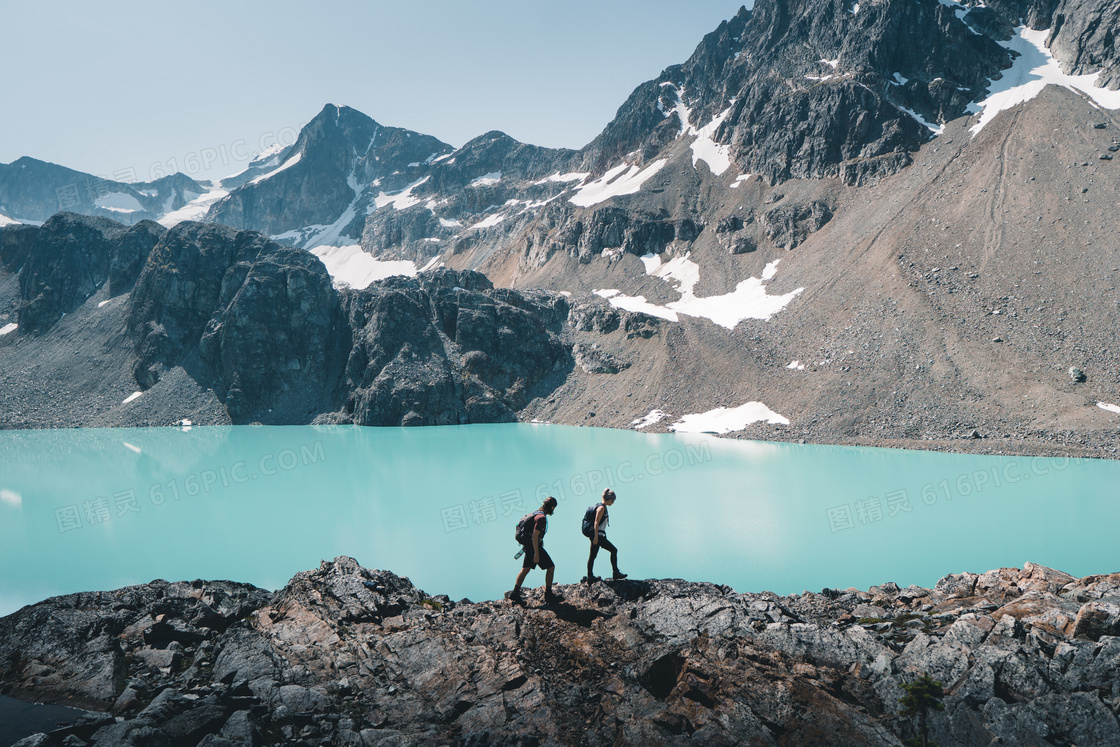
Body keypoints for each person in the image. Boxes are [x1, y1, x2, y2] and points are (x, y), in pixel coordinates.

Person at [509, 496, 563, 605]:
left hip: (529, 546)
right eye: (554, 508)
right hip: (534, 547)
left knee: (525, 569)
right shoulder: (541, 518)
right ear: (552, 507)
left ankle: (515, 592)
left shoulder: (536, 513)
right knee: (551, 567)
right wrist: (537, 554)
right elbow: (535, 536)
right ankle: (548, 595)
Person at [586, 488, 627, 583]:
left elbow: (603, 493)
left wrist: (606, 490)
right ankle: (615, 573)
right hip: (598, 536)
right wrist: (596, 537)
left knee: (592, 556)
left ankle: (590, 576)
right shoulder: (601, 508)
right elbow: (596, 523)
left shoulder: (601, 505)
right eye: (613, 500)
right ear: (609, 499)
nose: (613, 502)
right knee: (613, 550)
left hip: (599, 535)